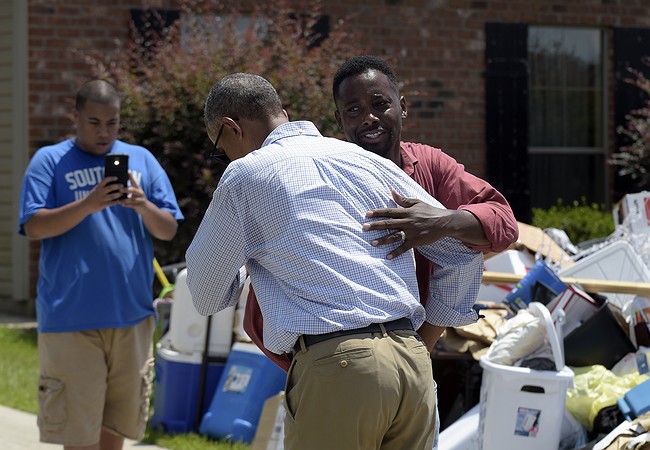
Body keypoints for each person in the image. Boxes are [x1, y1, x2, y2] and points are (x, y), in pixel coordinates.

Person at [186, 73, 484, 450]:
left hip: (337, 366)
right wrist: (422, 340)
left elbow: (207, 296)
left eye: (219, 148)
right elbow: (462, 253)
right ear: (283, 113)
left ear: (231, 128)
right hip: (412, 364)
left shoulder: (246, 175)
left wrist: (247, 262)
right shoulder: (368, 161)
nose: (224, 156)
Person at [241, 55, 519, 449]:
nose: (368, 118)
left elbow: (502, 223)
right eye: (353, 110)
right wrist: (308, 363)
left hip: (410, 355)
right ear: (339, 122)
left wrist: (440, 222)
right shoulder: (317, 170)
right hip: (328, 358)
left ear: (402, 106)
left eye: (379, 104)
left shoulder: (429, 168)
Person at [18, 79, 184, 450]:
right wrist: (89, 203)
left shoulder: (141, 159)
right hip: (72, 319)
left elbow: (169, 229)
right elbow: (33, 227)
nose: (104, 132)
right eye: (94, 122)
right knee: (79, 438)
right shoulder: (50, 161)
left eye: (112, 123)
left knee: (115, 435)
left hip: (132, 316)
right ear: (74, 117)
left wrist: (143, 205)